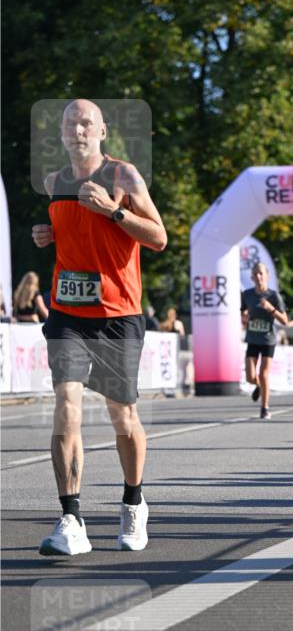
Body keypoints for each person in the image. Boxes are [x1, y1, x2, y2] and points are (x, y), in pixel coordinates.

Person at [32, 98, 167, 556]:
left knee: (122, 415)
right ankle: (71, 518)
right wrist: (48, 235)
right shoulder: (55, 183)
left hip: (117, 314)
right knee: (66, 404)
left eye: (86, 123)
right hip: (67, 313)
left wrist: (114, 211)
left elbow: (159, 238)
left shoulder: (124, 176)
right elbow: (77, 236)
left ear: (102, 131)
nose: (78, 130)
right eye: (70, 123)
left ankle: (133, 501)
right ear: (61, 133)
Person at [241, 262, 287, 419]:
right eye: (256, 274)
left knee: (264, 374)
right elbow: (243, 315)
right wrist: (244, 318)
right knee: (250, 377)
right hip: (253, 338)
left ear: (267, 276)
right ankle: (259, 386)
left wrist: (270, 308)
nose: (258, 276)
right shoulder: (247, 294)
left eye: (261, 273)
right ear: (252, 278)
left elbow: (285, 320)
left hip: (268, 340)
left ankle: (265, 408)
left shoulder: (273, 296)